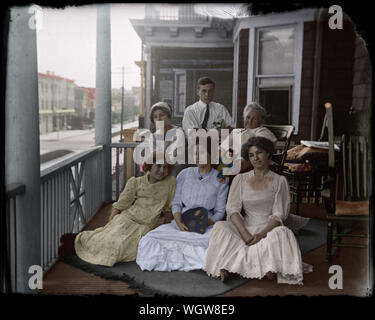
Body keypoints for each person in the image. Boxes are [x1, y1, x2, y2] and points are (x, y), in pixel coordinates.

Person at [203, 136, 312, 284]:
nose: (255, 158)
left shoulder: (280, 181)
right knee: (220, 226)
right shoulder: (240, 179)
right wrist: (244, 234)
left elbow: (279, 215)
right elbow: (232, 210)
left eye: (259, 153)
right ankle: (239, 265)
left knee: (284, 232)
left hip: (268, 229)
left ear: (268, 153)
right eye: (251, 155)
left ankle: (245, 265)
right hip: (246, 227)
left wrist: (260, 235)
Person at [58, 151, 176, 267]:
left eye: (165, 167)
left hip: (144, 226)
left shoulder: (170, 183)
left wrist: (166, 230)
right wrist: (110, 225)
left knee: (122, 246)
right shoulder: (135, 182)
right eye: (158, 166)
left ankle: (77, 244)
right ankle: (75, 241)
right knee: (108, 237)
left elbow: (168, 210)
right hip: (127, 218)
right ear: (150, 165)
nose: (162, 171)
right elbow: (120, 205)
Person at [136, 137, 229, 272]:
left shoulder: (221, 179)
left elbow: (220, 212)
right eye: (195, 153)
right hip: (181, 223)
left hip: (206, 226)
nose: (197, 157)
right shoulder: (184, 174)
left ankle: (203, 261)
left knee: (209, 246)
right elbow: (177, 203)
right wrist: (179, 222)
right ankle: (192, 260)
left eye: (201, 153)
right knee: (149, 239)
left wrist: (204, 223)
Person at [221, 102, 277, 173]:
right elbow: (223, 147)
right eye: (248, 117)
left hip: (244, 165)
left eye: (254, 119)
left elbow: (263, 147)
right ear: (244, 118)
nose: (250, 121)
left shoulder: (261, 130)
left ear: (260, 122)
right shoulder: (236, 131)